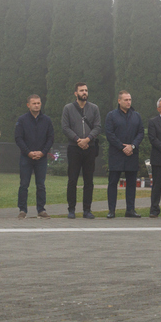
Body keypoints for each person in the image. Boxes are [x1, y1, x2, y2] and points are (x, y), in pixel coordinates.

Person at [61, 82, 101, 219]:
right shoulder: (68, 108)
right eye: (82, 90)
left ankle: (87, 210)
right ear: (76, 93)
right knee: (72, 180)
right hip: (74, 148)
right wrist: (78, 140)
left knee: (88, 180)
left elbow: (97, 127)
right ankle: (71, 209)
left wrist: (87, 139)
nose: (84, 92)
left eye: (86, 90)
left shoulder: (94, 108)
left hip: (90, 148)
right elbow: (65, 127)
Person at [105, 90, 144, 218]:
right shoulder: (111, 115)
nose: (128, 102)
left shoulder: (136, 116)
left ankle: (130, 210)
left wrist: (132, 146)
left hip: (132, 153)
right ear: (119, 101)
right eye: (126, 100)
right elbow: (109, 134)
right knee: (113, 182)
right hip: (116, 154)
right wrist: (122, 147)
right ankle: (111, 210)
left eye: (130, 99)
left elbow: (140, 133)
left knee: (131, 183)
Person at [14, 95, 55, 219]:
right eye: (34, 103)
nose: (36, 105)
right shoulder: (22, 120)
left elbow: (50, 138)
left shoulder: (47, 120)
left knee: (41, 184)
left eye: (38, 103)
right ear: (28, 105)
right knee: (24, 184)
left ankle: (41, 209)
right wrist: (28, 152)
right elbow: (18, 138)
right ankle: (22, 210)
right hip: (26, 157)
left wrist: (43, 152)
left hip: (41, 158)